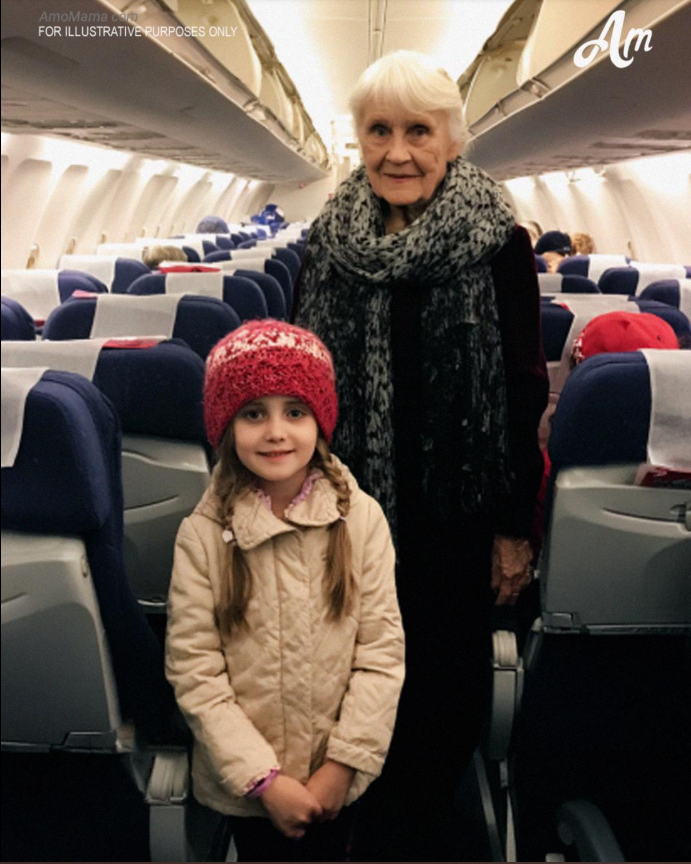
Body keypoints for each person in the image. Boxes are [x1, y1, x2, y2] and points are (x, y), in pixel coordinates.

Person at [292, 50, 548, 860]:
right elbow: (305, 388)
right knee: (345, 686)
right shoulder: (327, 242)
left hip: (453, 518)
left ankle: (416, 830)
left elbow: (520, 390)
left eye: (418, 131)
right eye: (378, 131)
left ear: (453, 141)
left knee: (440, 698)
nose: (397, 152)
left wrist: (512, 528)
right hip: (346, 515)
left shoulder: (497, 244)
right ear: (358, 139)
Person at [165, 320, 405, 863]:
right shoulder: (202, 535)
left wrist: (342, 765)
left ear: (320, 421)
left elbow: (381, 655)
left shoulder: (361, 520)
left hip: (336, 777)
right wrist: (262, 780)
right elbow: (195, 672)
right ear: (227, 425)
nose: (276, 431)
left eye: (295, 412)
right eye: (254, 414)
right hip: (248, 789)